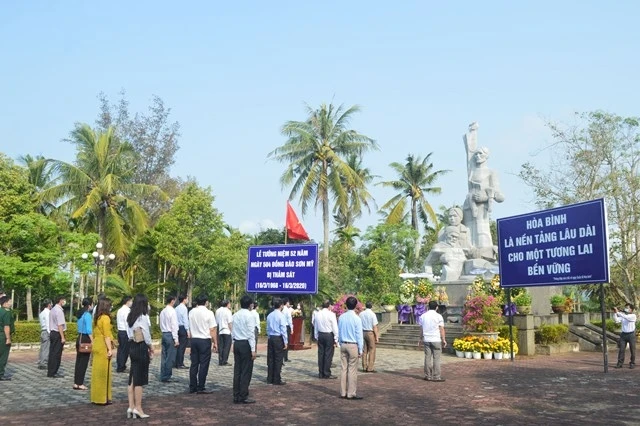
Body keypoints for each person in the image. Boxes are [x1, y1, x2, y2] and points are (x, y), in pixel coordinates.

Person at [462, 122, 505, 259]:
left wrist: (486, 197)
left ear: (487, 156)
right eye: (477, 154)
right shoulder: (472, 170)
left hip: (482, 209)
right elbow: (469, 154)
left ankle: (485, 257)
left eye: (481, 154)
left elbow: (500, 196)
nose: (477, 156)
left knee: (482, 232)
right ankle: (470, 255)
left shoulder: (491, 172)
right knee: (469, 232)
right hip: (469, 206)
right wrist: (473, 133)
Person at [126, 294, 154, 419]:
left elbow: (128, 333)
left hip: (132, 346)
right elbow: (146, 335)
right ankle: (138, 407)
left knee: (132, 376)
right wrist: (151, 347)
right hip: (141, 346)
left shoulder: (130, 316)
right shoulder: (143, 317)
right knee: (139, 379)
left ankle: (131, 406)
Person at [188, 294, 218, 394]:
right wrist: (215, 342)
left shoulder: (191, 312)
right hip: (204, 340)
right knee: (204, 364)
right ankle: (201, 386)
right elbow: (212, 329)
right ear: (206, 302)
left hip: (194, 340)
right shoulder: (209, 313)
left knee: (194, 364)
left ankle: (192, 386)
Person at [231, 295, 257, 404]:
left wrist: (233, 343)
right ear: (250, 304)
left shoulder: (235, 315)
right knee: (246, 371)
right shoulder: (250, 316)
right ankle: (243, 395)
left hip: (237, 342)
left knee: (237, 370)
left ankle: (236, 394)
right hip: (245, 343)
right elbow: (251, 333)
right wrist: (253, 349)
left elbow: (232, 329)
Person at [338, 296, 364, 400]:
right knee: (352, 369)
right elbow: (359, 335)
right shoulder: (357, 318)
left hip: (343, 343)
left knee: (343, 369)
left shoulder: (341, 317)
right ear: (355, 305)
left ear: (346, 305)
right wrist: (360, 349)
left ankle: (343, 392)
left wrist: (340, 342)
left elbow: (339, 331)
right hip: (353, 344)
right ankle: (351, 393)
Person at [91, 298, 114, 405]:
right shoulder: (105, 318)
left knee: (96, 373)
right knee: (104, 373)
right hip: (103, 346)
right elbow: (107, 335)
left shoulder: (97, 318)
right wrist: (110, 349)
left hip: (96, 344)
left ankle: (96, 396)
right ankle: (103, 398)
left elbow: (94, 333)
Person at [418, 300, 447, 382]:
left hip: (426, 339)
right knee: (436, 358)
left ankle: (428, 375)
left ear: (428, 307)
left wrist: (420, 339)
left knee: (427, 357)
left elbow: (421, 329)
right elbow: (441, 329)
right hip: (436, 339)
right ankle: (436, 376)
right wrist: (444, 339)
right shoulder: (439, 316)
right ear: (437, 307)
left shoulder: (423, 316)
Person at [314, 300, 338, 379]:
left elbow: (316, 326)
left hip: (320, 334)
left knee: (321, 354)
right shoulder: (331, 314)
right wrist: (336, 337)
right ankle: (326, 372)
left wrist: (316, 336)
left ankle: (321, 373)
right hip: (328, 334)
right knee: (328, 354)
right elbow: (334, 327)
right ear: (328, 306)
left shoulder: (317, 314)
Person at [73, 298, 93, 390]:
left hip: (79, 337)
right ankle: (80, 383)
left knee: (79, 361)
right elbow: (89, 330)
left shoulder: (80, 314)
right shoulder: (87, 315)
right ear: (89, 305)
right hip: (85, 338)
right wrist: (93, 341)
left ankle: (76, 382)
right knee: (84, 363)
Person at [266, 298, 288, 385]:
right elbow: (283, 329)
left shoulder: (269, 315)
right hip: (278, 338)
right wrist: (285, 341)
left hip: (271, 338)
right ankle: (277, 379)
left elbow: (267, 328)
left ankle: (269, 378)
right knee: (278, 359)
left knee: (271, 358)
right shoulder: (281, 316)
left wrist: (269, 336)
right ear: (281, 305)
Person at [159, 295, 179, 382]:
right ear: (172, 301)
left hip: (164, 333)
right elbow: (174, 326)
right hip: (170, 334)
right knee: (170, 356)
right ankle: (167, 375)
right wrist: (176, 339)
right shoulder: (172, 311)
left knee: (164, 355)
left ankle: (163, 374)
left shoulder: (163, 311)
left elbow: (160, 324)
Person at [47, 295, 67, 378]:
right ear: (60, 300)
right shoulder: (59, 311)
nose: (64, 302)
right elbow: (60, 325)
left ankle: (50, 371)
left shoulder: (52, 310)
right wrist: (62, 337)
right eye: (63, 300)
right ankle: (53, 371)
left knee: (52, 352)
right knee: (56, 354)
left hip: (52, 332)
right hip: (57, 333)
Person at [614, 304, 637, 369]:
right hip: (623, 334)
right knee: (621, 350)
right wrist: (615, 313)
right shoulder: (623, 316)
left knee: (632, 350)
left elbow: (626, 317)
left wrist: (618, 312)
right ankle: (619, 363)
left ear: (631, 309)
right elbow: (616, 320)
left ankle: (632, 363)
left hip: (631, 334)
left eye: (627, 308)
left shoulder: (633, 316)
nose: (625, 309)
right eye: (625, 307)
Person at [360, 302, 379, 373]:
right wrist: (377, 336)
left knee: (364, 350)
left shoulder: (361, 314)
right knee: (372, 349)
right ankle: (370, 367)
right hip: (370, 332)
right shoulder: (372, 314)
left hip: (363, 332)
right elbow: (375, 326)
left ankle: (364, 366)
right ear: (371, 306)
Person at [116, 296, 132, 373]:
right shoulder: (127, 311)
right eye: (131, 301)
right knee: (124, 350)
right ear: (128, 301)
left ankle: (120, 364)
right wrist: (130, 335)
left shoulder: (119, 310)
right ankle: (121, 366)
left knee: (120, 349)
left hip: (120, 331)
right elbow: (127, 323)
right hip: (125, 332)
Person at [0, 295, 15, 381]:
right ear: (5, 303)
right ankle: (1, 374)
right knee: (3, 356)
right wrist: (8, 338)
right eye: (9, 301)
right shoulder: (6, 313)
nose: (11, 303)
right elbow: (6, 327)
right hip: (3, 336)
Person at [215, 299, 233, 366]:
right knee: (226, 347)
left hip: (219, 330)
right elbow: (229, 323)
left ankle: (220, 360)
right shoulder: (228, 311)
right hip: (227, 330)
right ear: (227, 304)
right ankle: (224, 361)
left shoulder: (217, 311)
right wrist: (232, 331)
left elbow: (216, 322)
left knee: (221, 346)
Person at [175, 295, 190, 369]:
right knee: (182, 347)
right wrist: (187, 330)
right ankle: (180, 363)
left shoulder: (176, 308)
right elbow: (185, 320)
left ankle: (176, 362)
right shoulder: (184, 308)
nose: (187, 300)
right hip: (183, 328)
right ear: (184, 299)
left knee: (177, 346)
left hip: (177, 328)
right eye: (187, 299)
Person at [37, 299, 52, 370]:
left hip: (43, 331)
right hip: (47, 331)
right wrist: (50, 332)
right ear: (49, 304)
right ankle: (44, 363)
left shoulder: (42, 312)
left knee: (43, 347)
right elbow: (48, 323)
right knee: (46, 348)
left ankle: (40, 361)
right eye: (51, 304)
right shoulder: (48, 313)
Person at [282, 298, 293, 362]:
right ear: (287, 303)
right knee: (286, 341)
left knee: (282, 341)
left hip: (281, 326)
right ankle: (285, 357)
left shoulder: (281, 309)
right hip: (286, 326)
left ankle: (282, 357)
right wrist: (291, 328)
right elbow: (289, 320)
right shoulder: (287, 310)